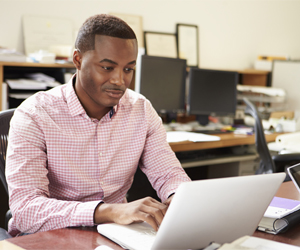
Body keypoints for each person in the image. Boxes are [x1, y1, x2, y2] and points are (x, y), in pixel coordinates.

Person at [6, 14, 191, 237]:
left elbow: (168, 174)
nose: (119, 80)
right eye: (107, 67)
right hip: (50, 236)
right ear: (77, 60)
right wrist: (107, 211)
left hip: (116, 234)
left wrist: (179, 199)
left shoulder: (141, 110)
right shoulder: (34, 115)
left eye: (128, 69)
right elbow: (26, 211)